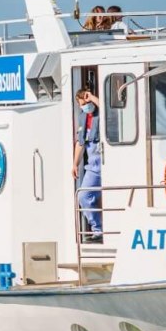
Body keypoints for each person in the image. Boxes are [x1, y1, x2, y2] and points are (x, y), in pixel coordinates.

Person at [72, 87, 103, 242]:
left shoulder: (101, 110)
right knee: (84, 196)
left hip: (106, 161)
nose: (83, 106)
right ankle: (98, 230)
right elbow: (80, 142)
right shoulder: (83, 117)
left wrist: (92, 97)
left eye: (84, 101)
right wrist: (75, 164)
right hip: (93, 164)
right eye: (81, 103)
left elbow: (105, 107)